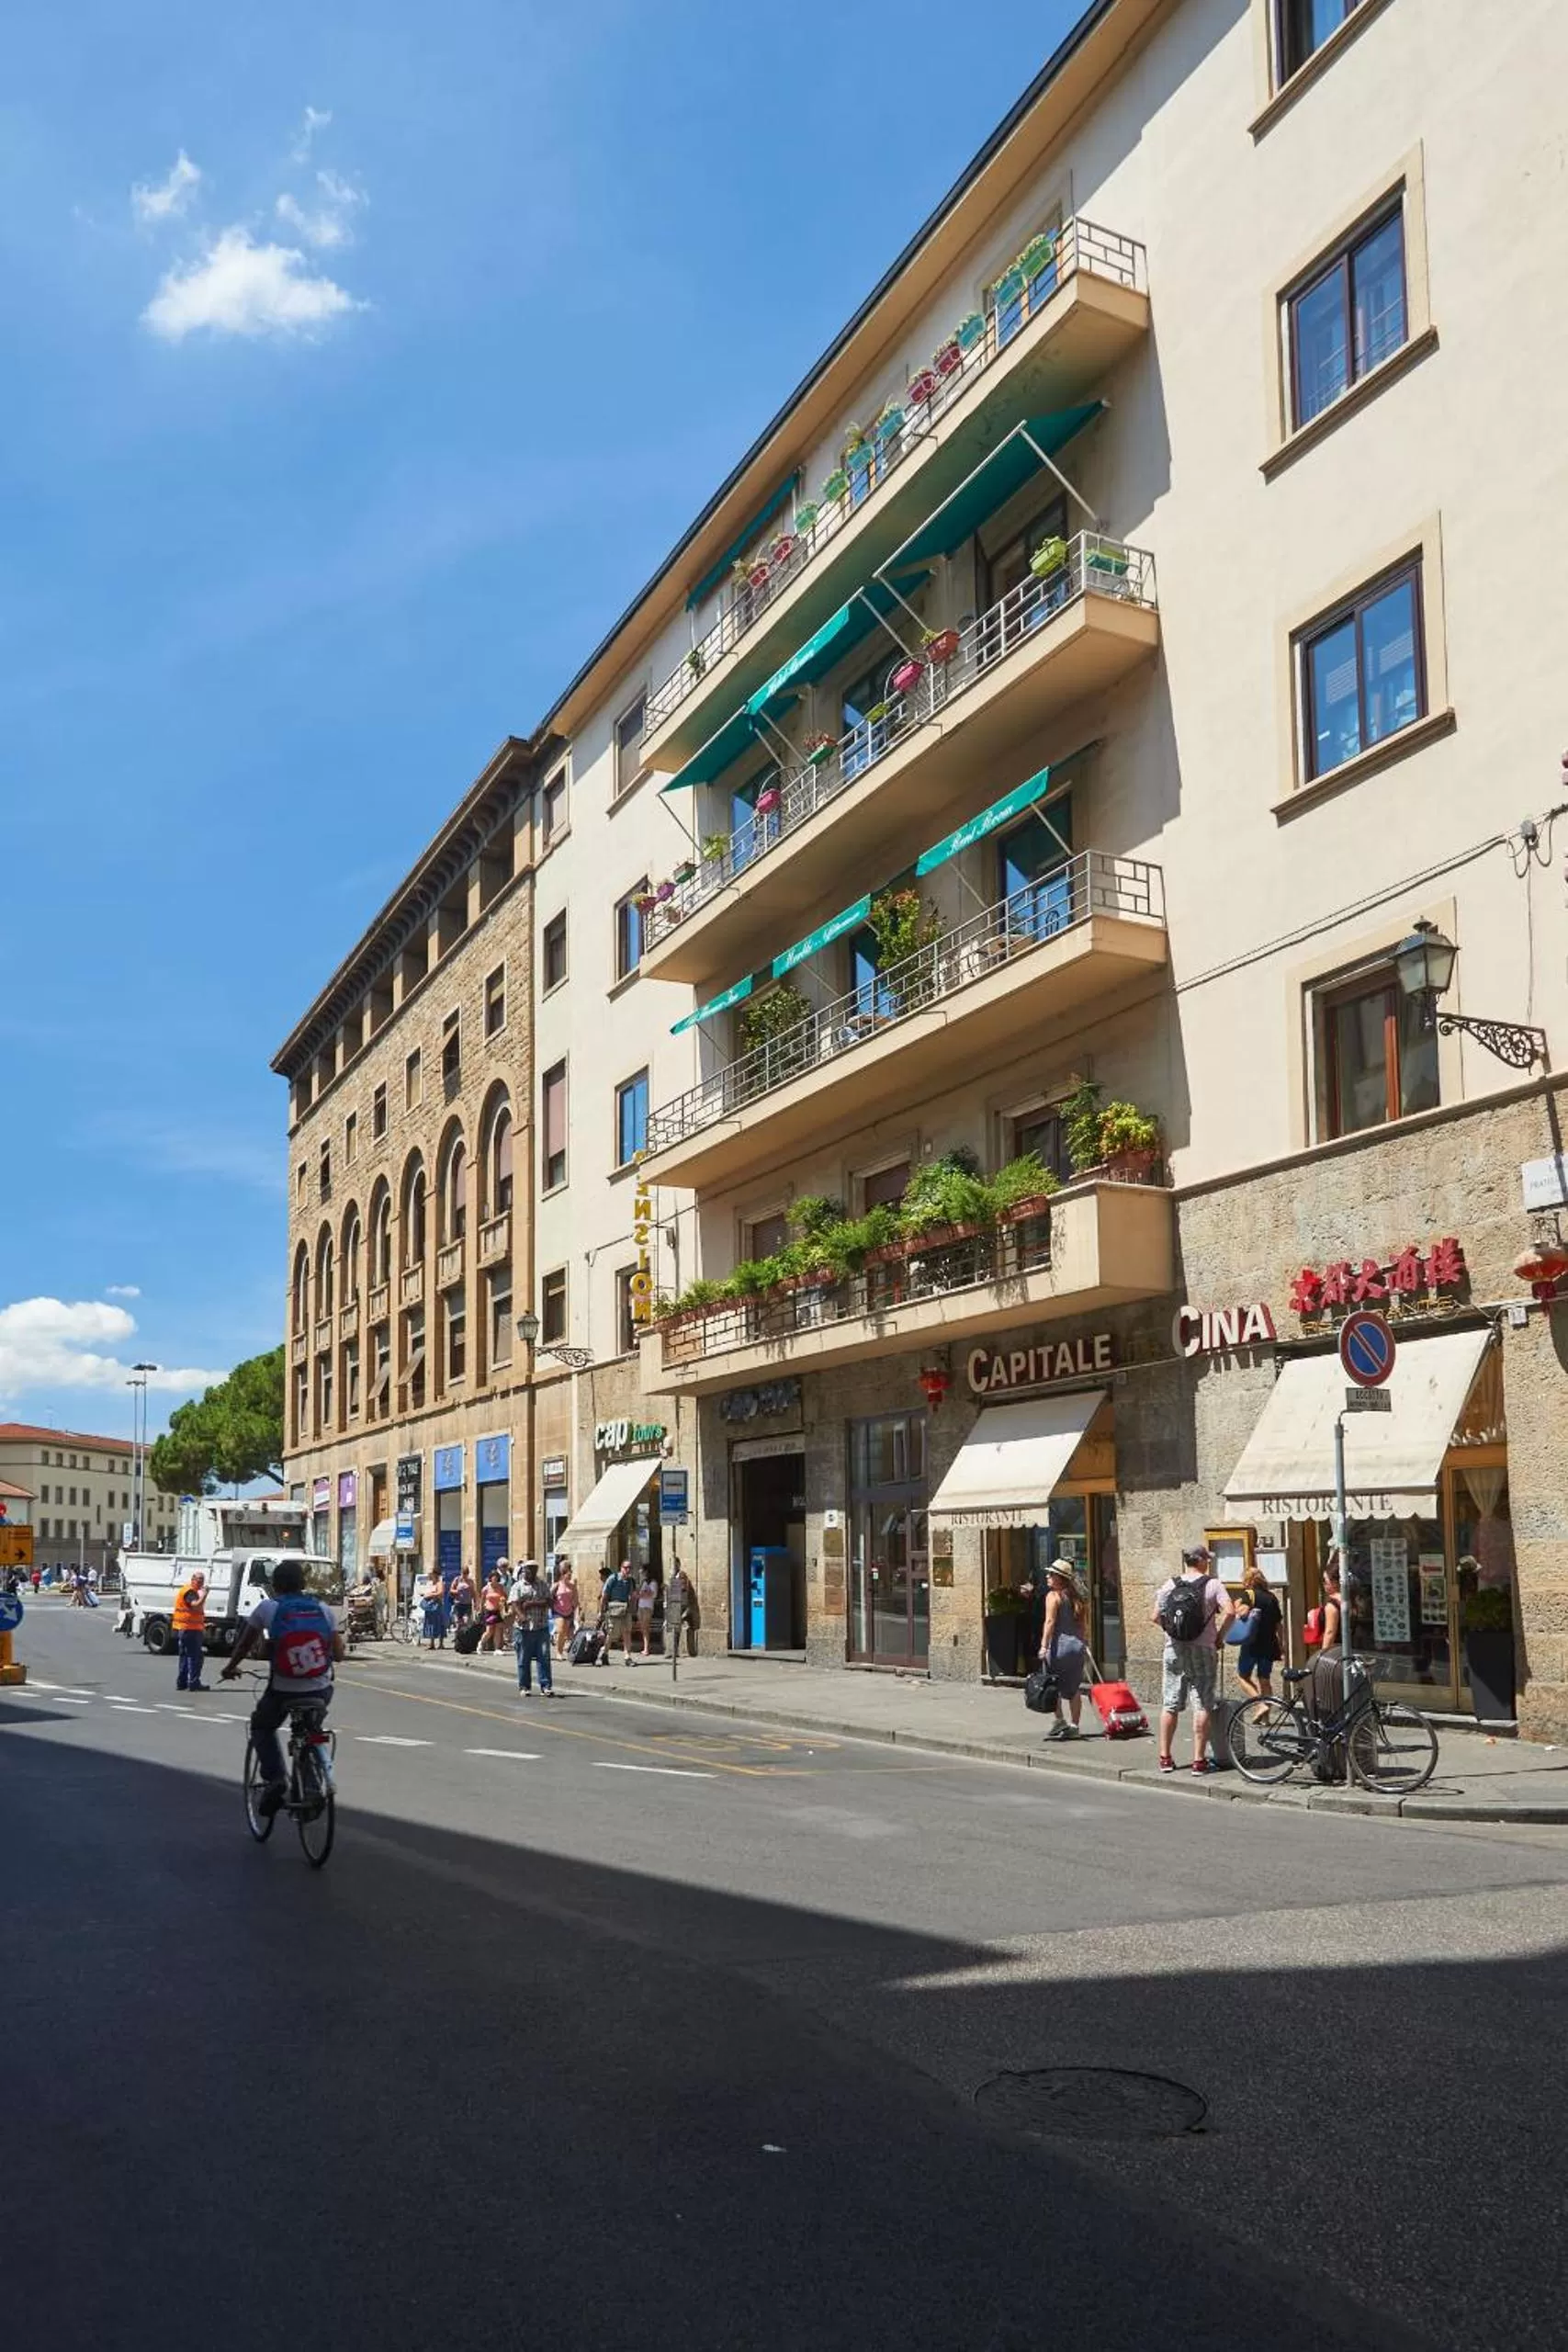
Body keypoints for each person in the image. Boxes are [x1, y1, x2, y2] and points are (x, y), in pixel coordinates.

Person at [220, 1557, 344, 1815]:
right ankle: (312, 1789)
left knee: (262, 1726)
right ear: (303, 1583)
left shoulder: (268, 1608)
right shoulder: (323, 1609)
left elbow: (244, 1646)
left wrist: (231, 1667)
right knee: (310, 1731)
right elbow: (339, 1653)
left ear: (275, 1585)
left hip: (283, 1689)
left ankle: (275, 1778)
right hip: (319, 1690)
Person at [1152, 1542, 1235, 1774]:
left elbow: (1154, 1616)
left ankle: (1165, 1758)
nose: (1209, 1562)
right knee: (1203, 1703)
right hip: (1203, 1649)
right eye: (1207, 1559)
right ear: (1199, 1560)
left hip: (1174, 1649)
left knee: (1170, 1704)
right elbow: (1230, 1611)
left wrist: (1173, 1632)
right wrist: (1219, 1637)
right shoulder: (1213, 1585)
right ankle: (1199, 1761)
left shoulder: (1170, 1584)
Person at [1040, 1559, 1089, 1741]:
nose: (1047, 1577)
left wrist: (1044, 1645)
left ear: (1059, 1578)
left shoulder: (1053, 1597)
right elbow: (1083, 1625)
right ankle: (1075, 1725)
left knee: (1054, 1685)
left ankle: (1060, 1720)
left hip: (1058, 1647)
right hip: (1076, 1647)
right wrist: (1084, 1642)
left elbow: (1050, 1622)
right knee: (1074, 1688)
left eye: (1051, 1574)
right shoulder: (1077, 1598)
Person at [1233, 1565, 1282, 1703]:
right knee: (1265, 1680)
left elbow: (1243, 1612)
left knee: (1243, 1677)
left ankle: (1260, 1705)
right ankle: (1266, 1717)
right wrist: (1281, 1644)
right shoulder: (1271, 1597)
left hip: (1252, 1644)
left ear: (1248, 1581)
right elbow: (1279, 1624)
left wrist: (1236, 1606)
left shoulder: (1248, 1594)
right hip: (1270, 1644)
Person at [510, 1560, 554, 1695]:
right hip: (523, 1628)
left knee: (544, 1657)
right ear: (525, 1571)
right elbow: (515, 1604)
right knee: (523, 1658)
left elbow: (549, 1601)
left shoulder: (543, 1585)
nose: (533, 1572)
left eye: (535, 1569)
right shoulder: (518, 1586)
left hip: (541, 1626)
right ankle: (524, 1686)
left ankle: (545, 1686)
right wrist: (522, 1615)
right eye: (530, 1570)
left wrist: (530, 1603)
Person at [172, 1568, 210, 1692]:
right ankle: (193, 1683)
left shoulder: (189, 1590)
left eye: (202, 1580)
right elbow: (196, 1605)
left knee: (185, 1656)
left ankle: (182, 1683)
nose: (200, 1582)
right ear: (192, 1580)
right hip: (190, 1630)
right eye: (198, 1580)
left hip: (186, 1628)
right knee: (195, 1657)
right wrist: (205, 1595)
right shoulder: (190, 1592)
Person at [598, 1560, 635, 1665]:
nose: (628, 1570)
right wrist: (601, 1612)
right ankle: (605, 1653)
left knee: (627, 1632)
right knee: (611, 1633)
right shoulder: (613, 1578)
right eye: (626, 1567)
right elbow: (604, 1596)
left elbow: (632, 1595)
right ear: (621, 1568)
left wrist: (632, 1608)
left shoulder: (630, 1581)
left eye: (630, 1568)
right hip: (613, 1609)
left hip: (626, 1609)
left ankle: (627, 1657)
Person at [665, 1561, 700, 1658]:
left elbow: (688, 1597)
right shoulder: (673, 1581)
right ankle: (672, 1652)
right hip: (677, 1607)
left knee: (690, 1629)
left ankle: (691, 1651)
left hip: (686, 1608)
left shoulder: (684, 1581)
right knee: (674, 1630)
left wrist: (684, 1614)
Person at [551, 1561, 580, 1657]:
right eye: (568, 1574)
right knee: (560, 1629)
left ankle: (561, 1649)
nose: (570, 1576)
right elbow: (549, 1597)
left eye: (571, 1574)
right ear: (563, 1575)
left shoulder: (572, 1586)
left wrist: (577, 1614)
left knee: (565, 1633)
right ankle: (558, 1652)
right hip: (558, 1610)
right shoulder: (556, 1585)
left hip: (568, 1611)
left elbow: (576, 1601)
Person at [479, 1570, 508, 1654]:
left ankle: (497, 1649)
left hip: (498, 1611)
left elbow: (505, 1596)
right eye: (493, 1577)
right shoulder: (486, 1588)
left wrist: (503, 1600)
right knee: (489, 1631)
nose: (494, 1579)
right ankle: (481, 1644)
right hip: (489, 1611)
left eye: (496, 1578)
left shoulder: (501, 1587)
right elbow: (482, 1600)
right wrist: (480, 1610)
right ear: (490, 1578)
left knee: (498, 1630)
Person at [419, 1568, 446, 1650]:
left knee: (438, 1623)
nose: (429, 1575)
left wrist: (430, 1595)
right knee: (431, 1623)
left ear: (435, 1574)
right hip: (430, 1606)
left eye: (431, 1574)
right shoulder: (432, 1584)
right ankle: (432, 1643)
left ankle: (441, 1644)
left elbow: (441, 1593)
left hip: (436, 1606)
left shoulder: (439, 1583)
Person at [635, 1569, 659, 1659]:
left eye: (643, 1572)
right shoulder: (644, 1582)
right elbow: (640, 1593)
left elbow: (652, 1594)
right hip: (641, 1606)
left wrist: (642, 1594)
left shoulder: (653, 1583)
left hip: (647, 1607)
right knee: (642, 1628)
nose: (641, 1574)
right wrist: (642, 1594)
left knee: (645, 1627)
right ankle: (645, 1647)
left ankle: (646, 1648)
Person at [447, 1566, 476, 1639]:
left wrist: (475, 1602)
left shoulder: (470, 1581)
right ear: (461, 1573)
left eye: (466, 1573)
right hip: (458, 1604)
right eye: (464, 1573)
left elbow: (473, 1593)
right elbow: (451, 1590)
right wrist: (458, 1592)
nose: (465, 1575)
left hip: (467, 1604)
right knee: (458, 1623)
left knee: (467, 1622)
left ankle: (465, 1637)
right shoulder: (457, 1580)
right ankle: (457, 1637)